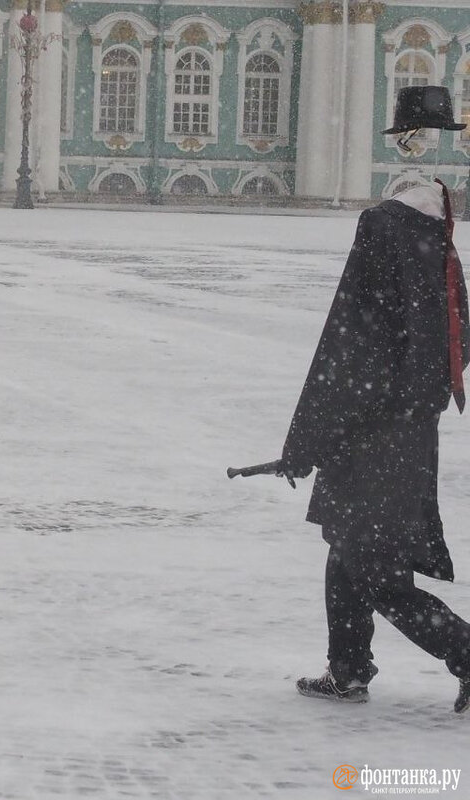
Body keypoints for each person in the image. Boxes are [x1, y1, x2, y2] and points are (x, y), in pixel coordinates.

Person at [280, 85, 470, 714]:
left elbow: (348, 337)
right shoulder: (440, 231)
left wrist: (305, 441)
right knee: (349, 547)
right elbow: (458, 337)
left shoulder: (384, 224)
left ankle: (466, 653)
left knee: (376, 570)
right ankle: (349, 668)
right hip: (408, 431)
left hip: (369, 428)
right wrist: (422, 396)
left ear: (408, 144)